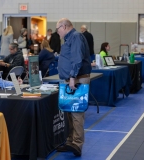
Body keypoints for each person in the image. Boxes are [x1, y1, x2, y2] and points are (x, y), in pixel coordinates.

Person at [56, 18, 91, 157]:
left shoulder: (76, 37)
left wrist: (72, 77)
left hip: (76, 79)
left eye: (58, 29)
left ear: (64, 27)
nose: (57, 32)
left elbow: (77, 58)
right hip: (71, 78)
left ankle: (77, 143)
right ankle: (71, 141)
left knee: (77, 112)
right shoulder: (70, 38)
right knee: (69, 112)